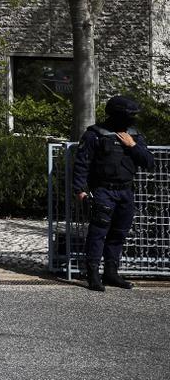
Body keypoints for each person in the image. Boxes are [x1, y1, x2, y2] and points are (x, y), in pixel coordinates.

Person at [73, 95, 155, 291]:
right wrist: (80, 191)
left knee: (119, 233)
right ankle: (93, 275)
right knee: (98, 233)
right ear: (117, 115)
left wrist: (132, 146)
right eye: (129, 116)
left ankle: (111, 273)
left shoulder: (134, 136)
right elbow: (82, 164)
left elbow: (149, 162)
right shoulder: (96, 134)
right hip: (103, 191)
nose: (132, 120)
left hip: (125, 192)